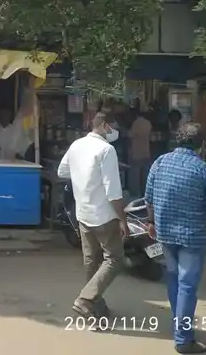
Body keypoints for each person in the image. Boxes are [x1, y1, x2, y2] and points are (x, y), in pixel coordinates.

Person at [145, 122, 206, 354]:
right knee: (187, 285)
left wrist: (151, 223)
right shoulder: (205, 171)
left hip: (165, 233)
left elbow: (149, 198)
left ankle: (180, 326)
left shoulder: (160, 162)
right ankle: (184, 340)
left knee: (174, 279)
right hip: (191, 237)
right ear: (200, 145)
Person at [57, 111, 129, 318]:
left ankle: (95, 305)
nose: (115, 132)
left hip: (83, 213)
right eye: (113, 127)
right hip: (104, 215)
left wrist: (83, 175)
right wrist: (122, 219)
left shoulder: (76, 145)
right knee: (114, 259)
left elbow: (62, 171)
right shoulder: (107, 150)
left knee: (91, 260)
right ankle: (86, 299)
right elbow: (113, 191)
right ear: (105, 126)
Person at [128, 107, 153, 196]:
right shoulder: (148, 123)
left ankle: (134, 193)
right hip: (146, 151)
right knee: (145, 174)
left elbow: (130, 135)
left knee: (135, 174)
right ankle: (144, 193)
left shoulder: (136, 123)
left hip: (136, 152)